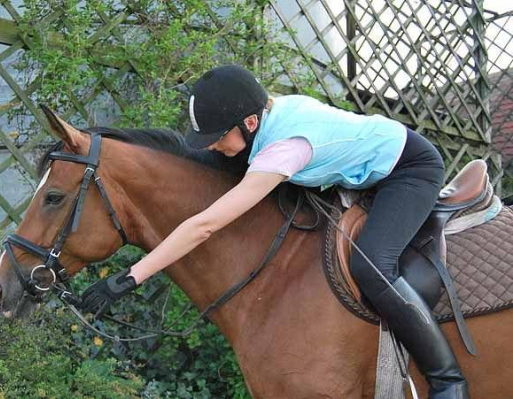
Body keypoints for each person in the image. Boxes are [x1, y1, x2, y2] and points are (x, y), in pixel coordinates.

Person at [80, 65, 468, 399]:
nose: (213, 147)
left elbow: (206, 225)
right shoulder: (262, 116)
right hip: (362, 168)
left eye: (218, 137)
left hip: (409, 170)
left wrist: (131, 276)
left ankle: (447, 379)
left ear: (250, 124)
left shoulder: (285, 148)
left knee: (373, 265)